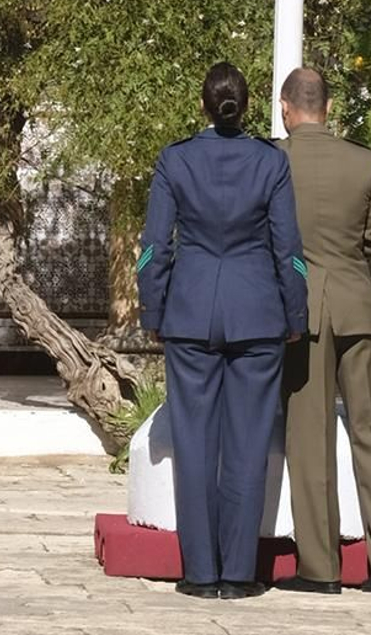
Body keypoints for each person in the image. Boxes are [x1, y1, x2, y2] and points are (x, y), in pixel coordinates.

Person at [138, 60, 310, 600]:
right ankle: (239, 573)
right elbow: (289, 251)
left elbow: (153, 249)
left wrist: (153, 313)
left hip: (190, 314)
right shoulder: (270, 161)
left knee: (194, 442)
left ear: (203, 106)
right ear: (247, 105)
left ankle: (200, 573)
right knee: (247, 443)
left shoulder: (176, 159)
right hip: (258, 314)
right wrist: (295, 317)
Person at [279, 65, 371, 596]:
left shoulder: (274, 161)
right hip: (358, 307)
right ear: (329, 108)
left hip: (302, 314)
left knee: (310, 439)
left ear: (286, 108)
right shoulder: (363, 162)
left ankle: (320, 567)